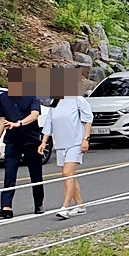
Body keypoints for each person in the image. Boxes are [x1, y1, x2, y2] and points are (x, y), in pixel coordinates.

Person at [0, 67, 46, 218]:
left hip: (31, 140)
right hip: (12, 141)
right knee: (9, 174)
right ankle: (6, 207)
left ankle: (38, 204)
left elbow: (34, 115)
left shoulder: (31, 95)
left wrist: (19, 123)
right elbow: (2, 119)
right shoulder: (3, 97)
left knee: (35, 174)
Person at [46, 84, 93, 220]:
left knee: (67, 173)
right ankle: (80, 206)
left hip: (75, 142)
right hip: (61, 143)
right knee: (69, 176)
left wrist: (86, 139)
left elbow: (88, 120)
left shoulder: (78, 100)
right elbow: (49, 123)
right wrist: (44, 142)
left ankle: (65, 207)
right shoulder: (55, 102)